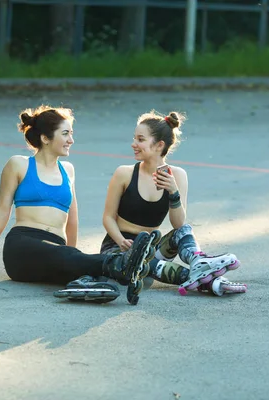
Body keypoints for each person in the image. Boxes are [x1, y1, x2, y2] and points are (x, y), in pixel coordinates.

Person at [0, 105, 161, 305]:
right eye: (65, 134)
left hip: (57, 250)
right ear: (45, 138)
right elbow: (2, 211)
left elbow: (72, 220)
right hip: (22, 247)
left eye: (71, 134)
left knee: (80, 267)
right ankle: (122, 264)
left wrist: (74, 259)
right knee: (74, 260)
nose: (71, 140)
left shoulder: (68, 170)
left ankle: (103, 278)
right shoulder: (19, 164)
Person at [99, 110, 247, 297]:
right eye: (134, 138)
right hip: (118, 248)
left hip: (151, 247)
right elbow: (107, 217)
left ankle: (198, 263)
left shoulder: (177, 175)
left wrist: (173, 193)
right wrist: (120, 241)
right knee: (141, 260)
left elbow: (178, 224)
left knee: (183, 231)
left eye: (140, 139)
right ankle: (211, 282)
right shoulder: (124, 173)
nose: (133, 144)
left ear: (159, 145)